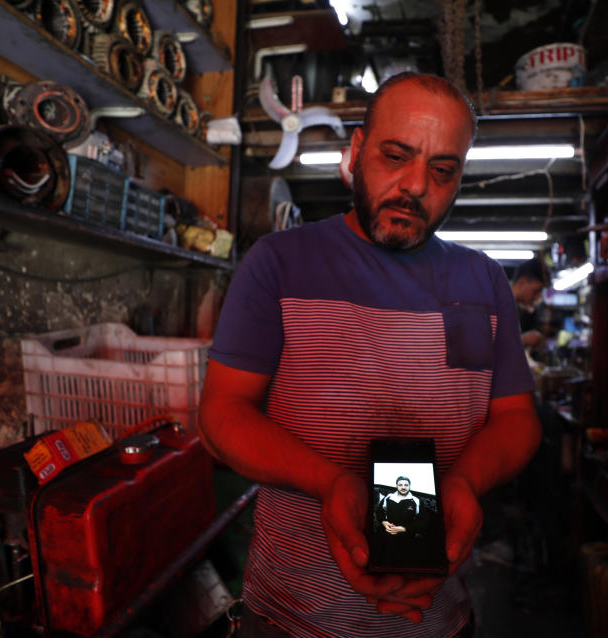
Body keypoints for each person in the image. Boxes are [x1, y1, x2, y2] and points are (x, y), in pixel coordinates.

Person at [197, 72, 542, 638]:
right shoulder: (279, 263)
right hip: (291, 618)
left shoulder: (484, 281)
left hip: (440, 617)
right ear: (356, 152)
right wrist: (332, 483)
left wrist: (466, 484)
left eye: (441, 170)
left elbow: (516, 419)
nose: (413, 186)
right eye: (395, 156)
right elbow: (222, 412)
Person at [511, 259, 548, 347]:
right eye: (536, 291)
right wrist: (524, 340)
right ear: (522, 283)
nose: (538, 297)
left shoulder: (512, 308)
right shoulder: (497, 305)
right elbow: (486, 348)